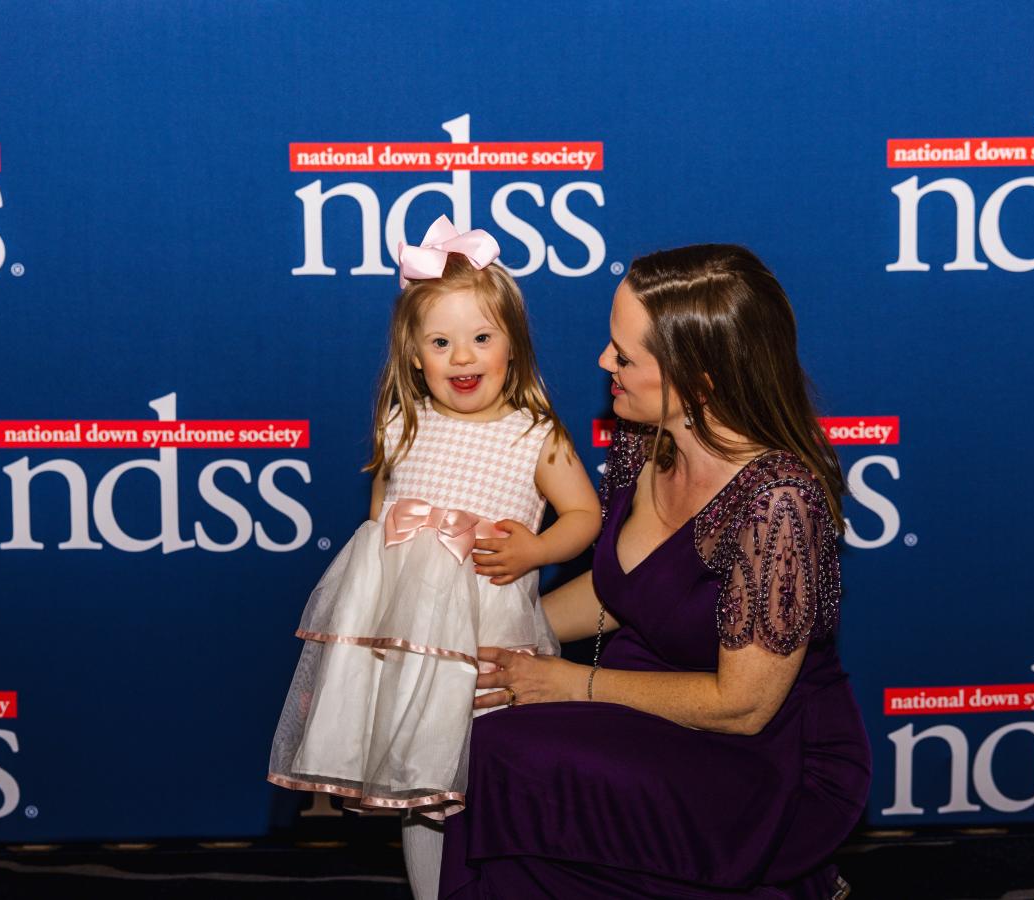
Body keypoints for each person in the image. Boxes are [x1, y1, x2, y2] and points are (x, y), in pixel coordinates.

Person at [441, 244, 872, 899]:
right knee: (465, 720)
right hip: (637, 700)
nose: (602, 363)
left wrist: (569, 683)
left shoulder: (778, 503)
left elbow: (744, 707)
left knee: (499, 751)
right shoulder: (643, 441)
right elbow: (623, 591)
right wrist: (480, 638)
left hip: (757, 764)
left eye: (624, 355)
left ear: (697, 381)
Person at [266, 216, 602, 900]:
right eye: (441, 342)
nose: (463, 356)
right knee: (418, 780)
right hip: (409, 643)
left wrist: (537, 548)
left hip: (486, 637)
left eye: (482, 337)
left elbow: (586, 515)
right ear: (414, 354)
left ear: (514, 344)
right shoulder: (401, 421)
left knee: (492, 771)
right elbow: (379, 522)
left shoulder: (532, 433)